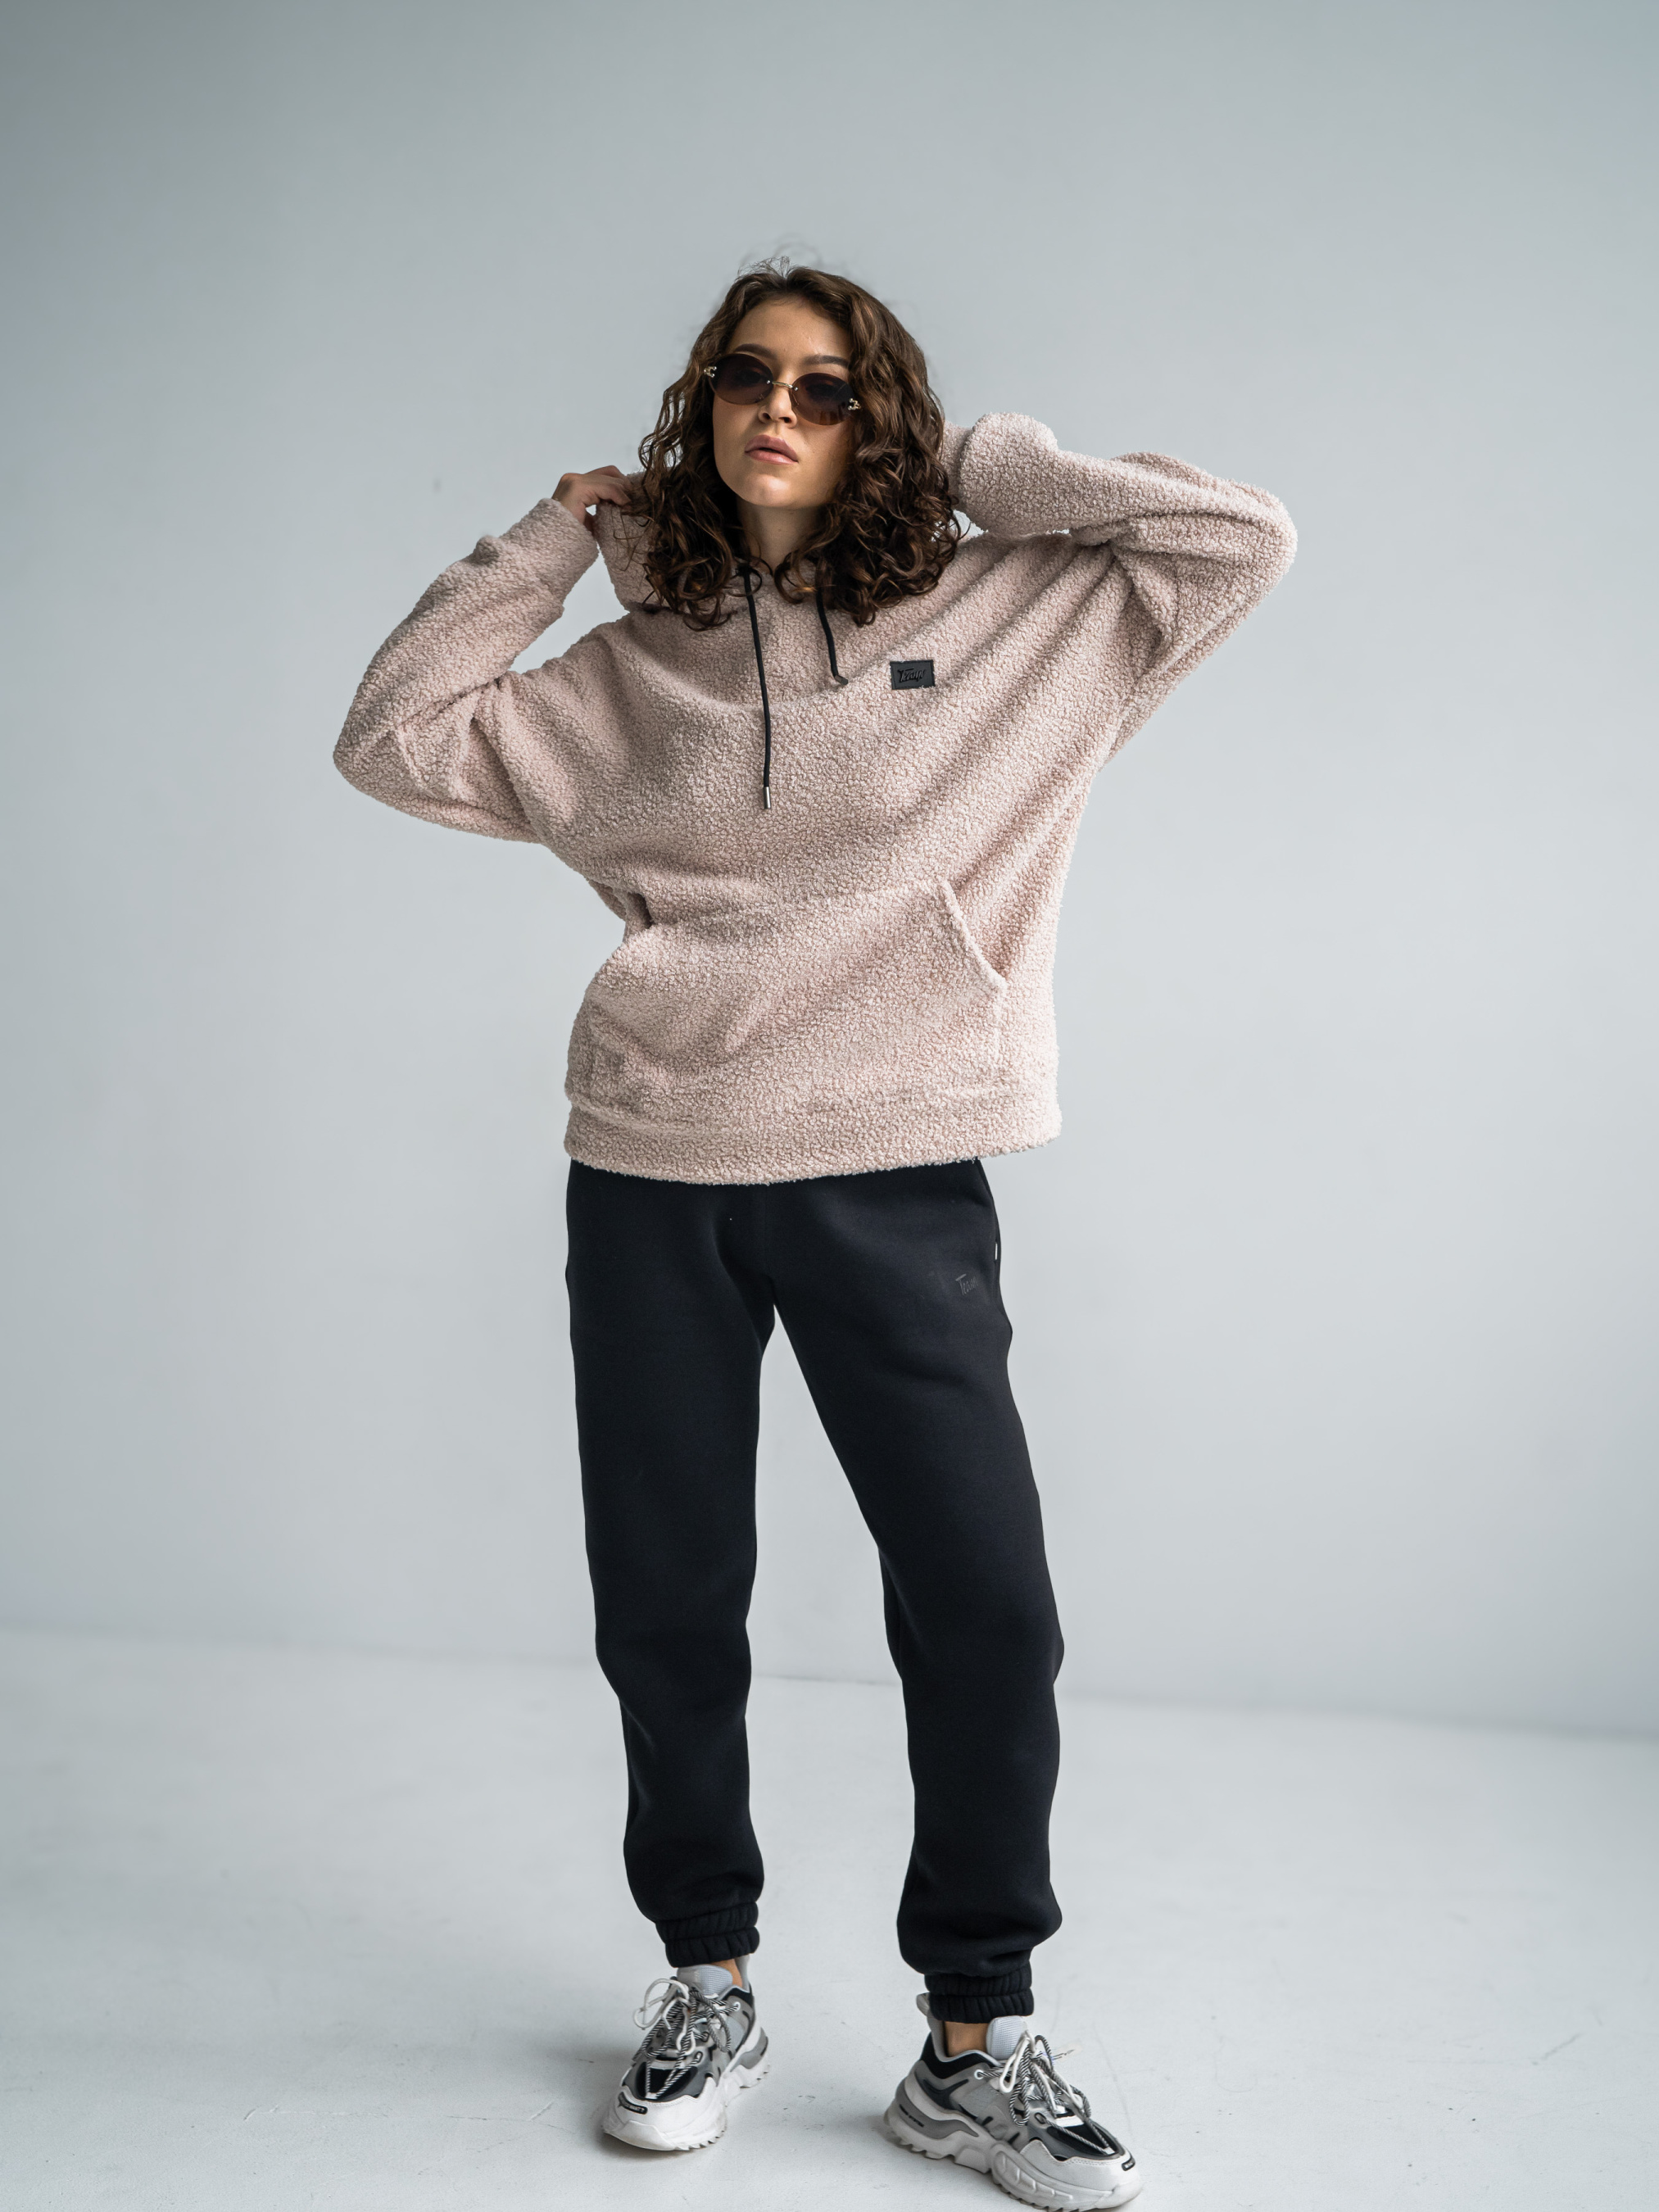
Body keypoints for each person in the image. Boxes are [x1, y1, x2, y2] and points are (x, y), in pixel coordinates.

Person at [335, 261, 1294, 2208]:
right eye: (748, 377)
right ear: (701, 405)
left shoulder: (1009, 616)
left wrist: (992, 468)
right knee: (669, 1607)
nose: (780, 409)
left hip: (895, 1165)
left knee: (986, 1606)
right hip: (654, 1166)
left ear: (880, 423)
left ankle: (975, 2041)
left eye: (831, 388)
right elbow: (393, 732)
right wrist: (549, 540)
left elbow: (1235, 541)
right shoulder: (629, 676)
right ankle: (705, 1980)